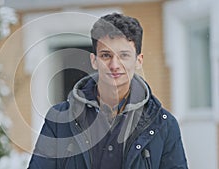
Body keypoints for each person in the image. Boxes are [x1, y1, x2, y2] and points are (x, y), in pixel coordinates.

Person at [28, 13, 188, 169]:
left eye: (124, 55)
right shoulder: (58, 120)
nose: (114, 65)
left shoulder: (164, 124)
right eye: (106, 55)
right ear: (94, 61)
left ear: (138, 61)